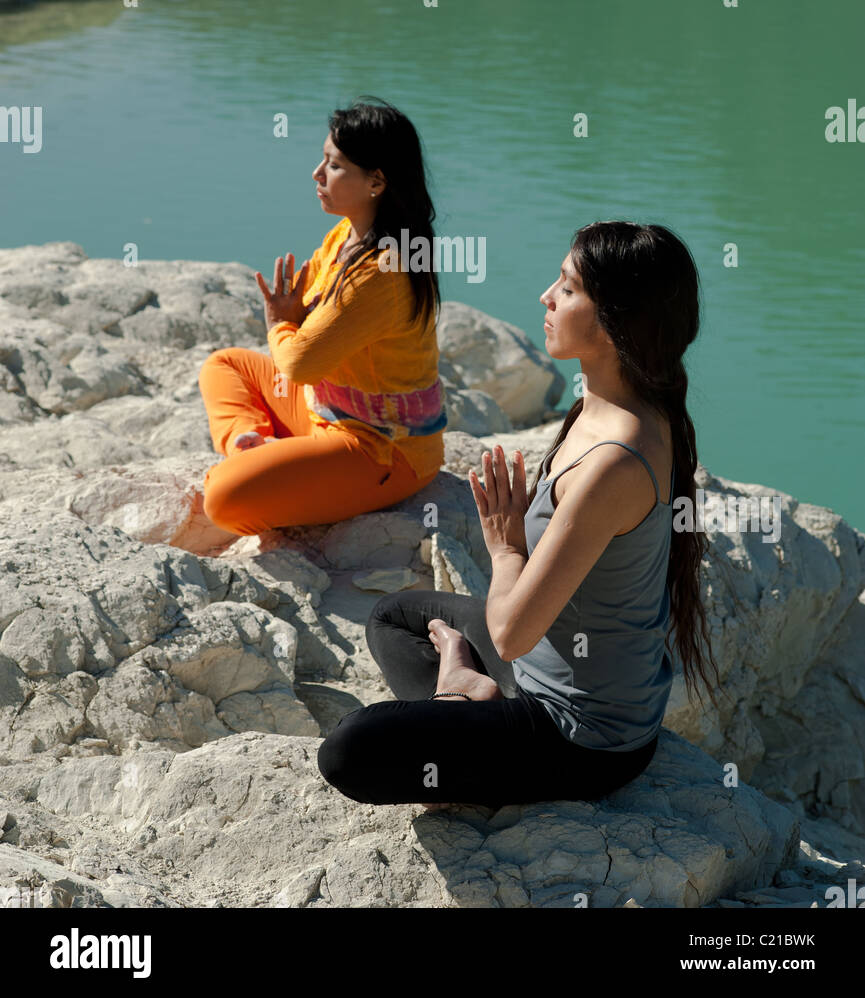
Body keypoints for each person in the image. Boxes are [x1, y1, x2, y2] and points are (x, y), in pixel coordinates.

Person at [317, 220, 723, 809]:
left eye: (568, 287)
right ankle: (467, 695)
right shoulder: (609, 403)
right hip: (537, 668)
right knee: (394, 615)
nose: (546, 297)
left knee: (350, 749)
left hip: (580, 738)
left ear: (614, 320)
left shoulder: (618, 461)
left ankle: (460, 701)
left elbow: (509, 635)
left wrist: (506, 549)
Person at [196, 98, 446, 544]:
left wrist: (278, 322)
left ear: (376, 181)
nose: (316, 173)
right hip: (324, 411)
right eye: (323, 160)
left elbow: (299, 364)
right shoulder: (346, 236)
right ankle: (250, 443)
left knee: (221, 499)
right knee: (225, 365)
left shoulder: (384, 271)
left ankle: (269, 460)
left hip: (380, 449)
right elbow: (310, 325)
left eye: (333, 165)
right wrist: (293, 321)